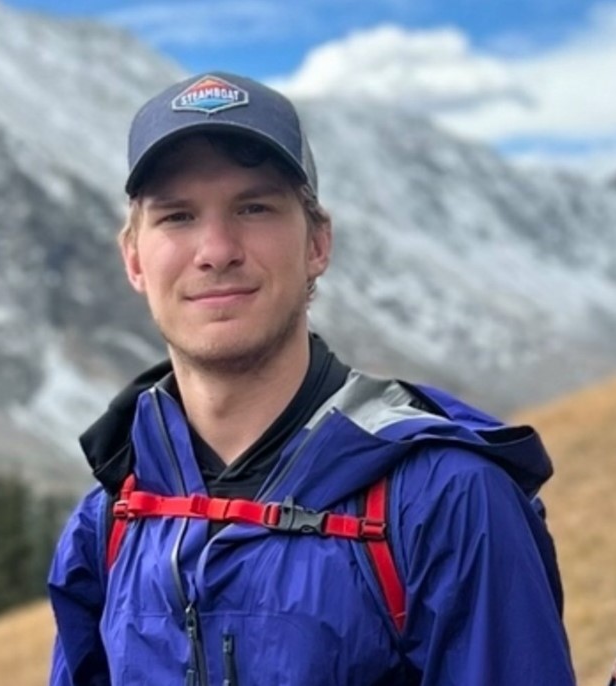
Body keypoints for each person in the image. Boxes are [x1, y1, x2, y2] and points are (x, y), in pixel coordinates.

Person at [48, 71, 576, 685]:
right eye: (177, 216)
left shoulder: (445, 498)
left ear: (317, 244)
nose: (217, 249)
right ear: (134, 258)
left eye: (254, 207)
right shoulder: (110, 520)